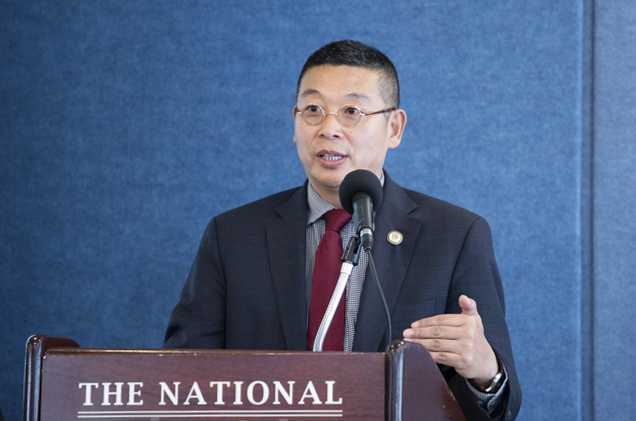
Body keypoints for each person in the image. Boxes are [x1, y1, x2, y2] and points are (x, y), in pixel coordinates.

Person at [164, 39, 521, 420]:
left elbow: (499, 409)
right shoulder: (233, 235)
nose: (329, 127)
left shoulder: (455, 235)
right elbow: (180, 380)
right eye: (313, 109)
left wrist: (485, 372)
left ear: (394, 128)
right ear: (295, 121)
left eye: (352, 110)